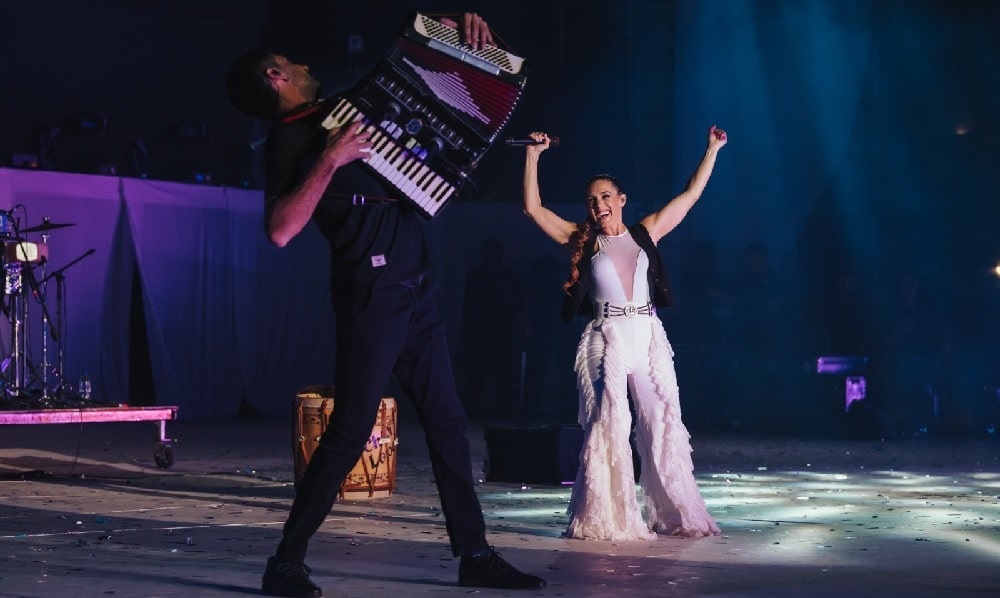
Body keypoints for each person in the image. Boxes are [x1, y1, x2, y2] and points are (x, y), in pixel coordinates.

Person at [225, 11, 546, 597]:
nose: (304, 64)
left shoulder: (346, 107)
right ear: (275, 77)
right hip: (371, 294)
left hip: (416, 286)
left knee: (449, 424)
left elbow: (427, 83)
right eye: (291, 62)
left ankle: (474, 554)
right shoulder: (291, 138)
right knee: (350, 432)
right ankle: (285, 564)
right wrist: (330, 159)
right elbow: (280, 229)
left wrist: (459, 34)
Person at [521, 126, 727, 540]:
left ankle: (677, 513)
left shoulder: (645, 232)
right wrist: (533, 155)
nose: (598, 204)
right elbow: (533, 209)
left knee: (662, 421)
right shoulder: (583, 240)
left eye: (605, 197)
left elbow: (690, 195)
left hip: (648, 336)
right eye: (591, 200)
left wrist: (712, 150)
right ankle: (607, 518)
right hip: (606, 336)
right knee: (610, 421)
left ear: (621, 200)